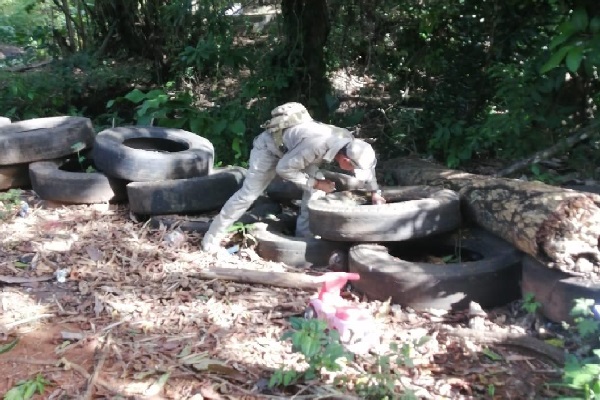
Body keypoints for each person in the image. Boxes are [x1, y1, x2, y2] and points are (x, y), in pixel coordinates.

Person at [201, 102, 386, 254]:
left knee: (315, 193)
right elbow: (284, 169)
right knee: (248, 195)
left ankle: (304, 239)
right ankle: (211, 239)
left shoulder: (348, 141)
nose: (353, 173)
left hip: (296, 152)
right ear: (345, 159)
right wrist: (316, 183)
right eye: (352, 169)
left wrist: (375, 192)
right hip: (269, 149)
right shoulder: (317, 146)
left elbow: (367, 168)